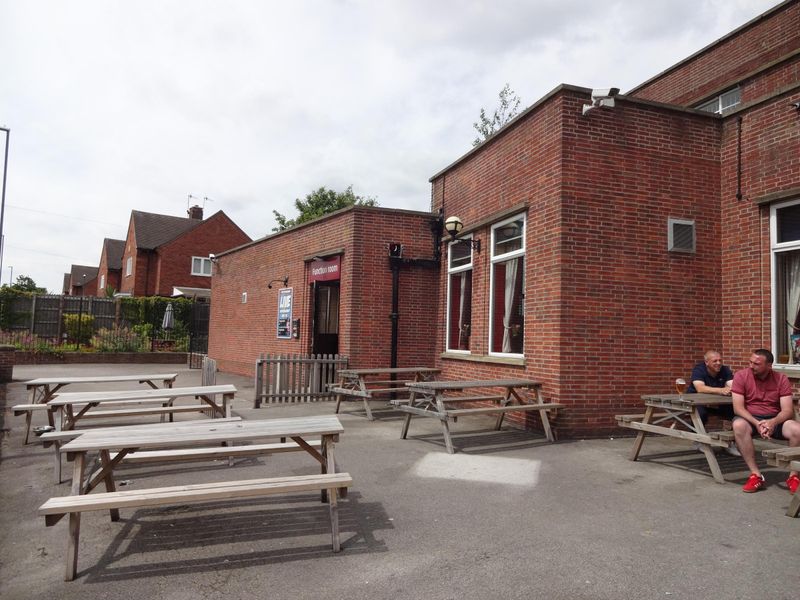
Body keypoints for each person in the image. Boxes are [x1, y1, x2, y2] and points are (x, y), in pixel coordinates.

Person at [731, 349, 800, 493]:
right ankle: (756, 475)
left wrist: (772, 422)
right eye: (750, 362)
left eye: (756, 364)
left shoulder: (781, 379)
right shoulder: (741, 376)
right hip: (750, 418)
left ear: (769, 366)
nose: (751, 366)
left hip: (775, 418)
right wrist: (757, 423)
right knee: (738, 425)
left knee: (797, 429)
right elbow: (738, 408)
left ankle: (794, 475)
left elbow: (787, 410)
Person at [687, 350, 738, 455]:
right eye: (715, 361)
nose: (718, 363)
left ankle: (729, 442)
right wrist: (721, 390)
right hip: (696, 401)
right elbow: (700, 388)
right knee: (700, 414)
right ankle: (698, 440)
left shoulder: (725, 370)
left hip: (717, 401)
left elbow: (732, 386)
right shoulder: (699, 369)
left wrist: (727, 389)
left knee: (736, 411)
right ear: (706, 362)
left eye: (720, 360)